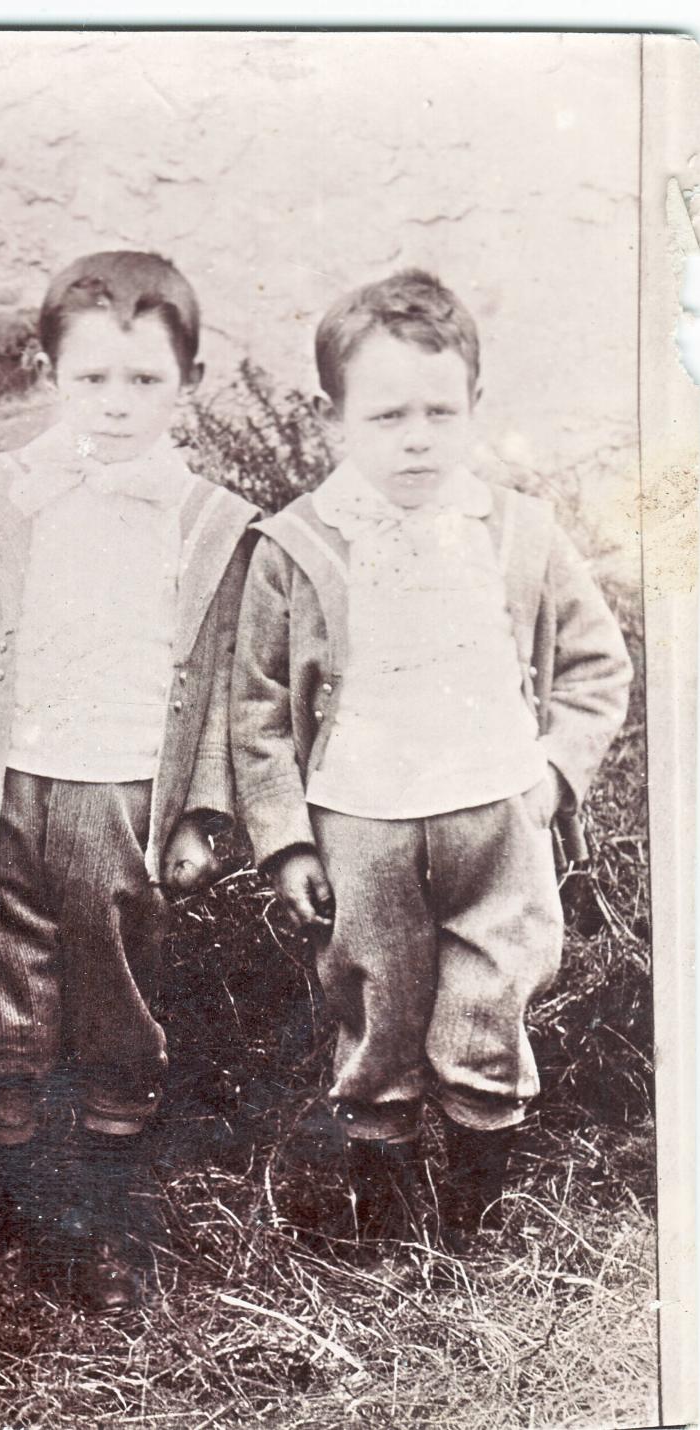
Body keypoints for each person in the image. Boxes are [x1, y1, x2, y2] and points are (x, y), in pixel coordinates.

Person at [231, 269, 632, 1251]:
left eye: (439, 412)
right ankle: (385, 1219)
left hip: (495, 814)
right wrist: (287, 841)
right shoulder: (298, 546)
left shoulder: (519, 532)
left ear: (474, 407)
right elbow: (256, 708)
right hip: (360, 818)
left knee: (489, 1002)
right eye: (386, 415)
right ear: (331, 421)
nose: (416, 438)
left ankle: (471, 1223)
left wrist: (553, 773)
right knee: (376, 1002)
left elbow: (595, 664)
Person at [0, 251, 258, 1313]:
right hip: (3, 781)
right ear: (47, 374)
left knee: (115, 987)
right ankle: (19, 1206)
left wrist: (202, 811)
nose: (116, 404)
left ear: (188, 382)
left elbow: (223, 678)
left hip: (125, 789)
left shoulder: (206, 520)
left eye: (144, 380)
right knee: (4, 985)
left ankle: (104, 1210)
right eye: (92, 379)